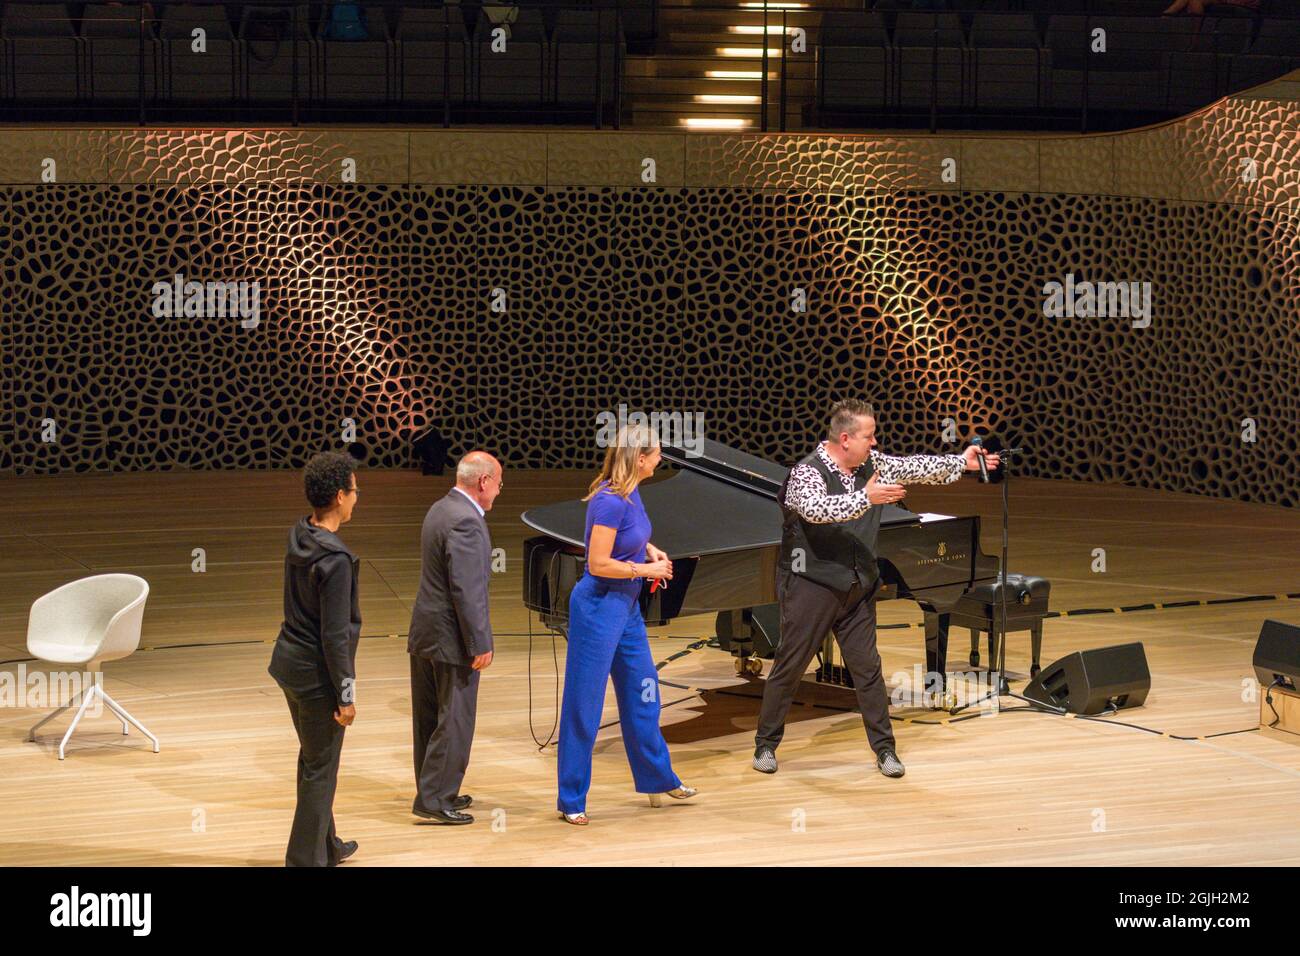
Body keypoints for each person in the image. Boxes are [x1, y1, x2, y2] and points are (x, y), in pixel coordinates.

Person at [753, 399, 999, 779]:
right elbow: (817, 510)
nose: (875, 442)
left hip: (857, 588)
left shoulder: (871, 463)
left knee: (868, 670)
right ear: (846, 438)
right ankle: (765, 744)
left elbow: (914, 466)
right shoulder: (806, 472)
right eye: (869, 436)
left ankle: (885, 750)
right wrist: (866, 498)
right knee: (790, 666)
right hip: (811, 586)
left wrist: (960, 463)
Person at [556, 423, 696, 825]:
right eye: (656, 454)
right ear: (639, 458)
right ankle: (571, 798)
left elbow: (631, 535)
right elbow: (597, 563)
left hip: (627, 608)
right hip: (598, 609)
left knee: (644, 693)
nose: (660, 459)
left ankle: (657, 778)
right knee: (585, 704)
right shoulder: (609, 501)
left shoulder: (633, 492)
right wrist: (644, 566)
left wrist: (648, 547)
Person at [268, 451, 362, 867]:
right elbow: (335, 637)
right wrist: (346, 695)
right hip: (315, 676)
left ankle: (327, 845)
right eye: (355, 490)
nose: (358, 498)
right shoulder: (335, 560)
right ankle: (305, 860)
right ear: (340, 496)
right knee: (319, 768)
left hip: (288, 664)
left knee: (314, 759)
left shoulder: (300, 533)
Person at [407, 451, 501, 825]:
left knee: (429, 717)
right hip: (451, 637)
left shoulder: (440, 508)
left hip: (425, 632)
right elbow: (467, 591)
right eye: (497, 484)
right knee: (455, 718)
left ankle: (434, 789)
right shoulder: (466, 522)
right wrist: (479, 643)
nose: (498, 492)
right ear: (483, 482)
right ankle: (435, 798)